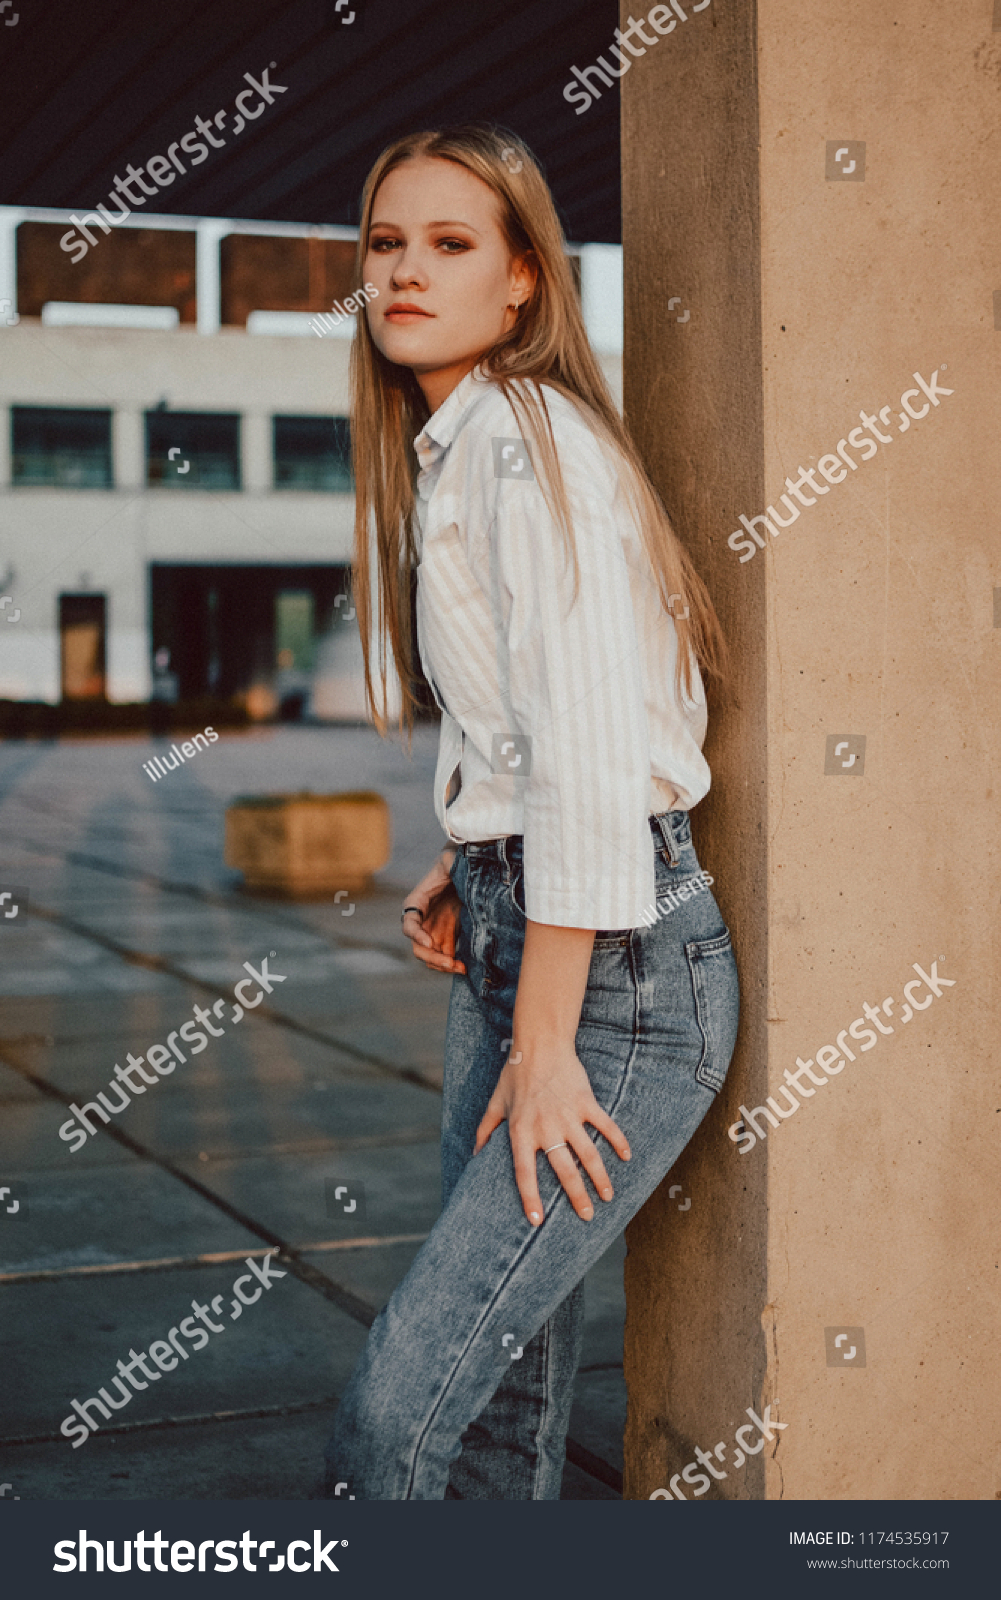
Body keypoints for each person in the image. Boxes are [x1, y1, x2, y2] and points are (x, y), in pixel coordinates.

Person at [324, 124, 739, 1501]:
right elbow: (535, 730)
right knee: (502, 1412)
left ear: (520, 283)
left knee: (396, 1420)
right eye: (386, 243)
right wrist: (472, 847)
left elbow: (593, 755)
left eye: (450, 244)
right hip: (530, 933)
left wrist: (547, 1039)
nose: (403, 272)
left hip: (615, 984)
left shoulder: (524, 449)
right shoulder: (459, 451)